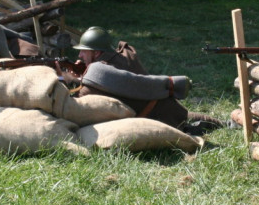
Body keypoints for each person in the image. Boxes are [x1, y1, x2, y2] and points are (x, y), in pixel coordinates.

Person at [63, 26, 224, 135]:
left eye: (84, 51)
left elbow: (80, 102)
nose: (80, 56)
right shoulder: (121, 57)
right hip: (165, 106)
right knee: (186, 115)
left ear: (97, 53)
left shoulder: (99, 71)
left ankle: (223, 124)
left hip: (160, 117)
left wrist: (67, 81)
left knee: (185, 122)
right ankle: (225, 123)